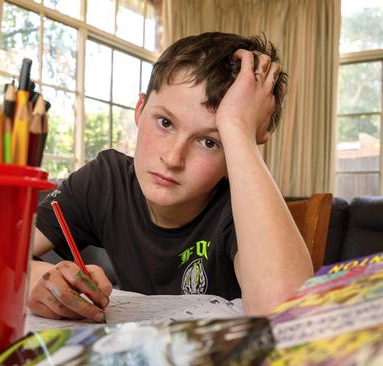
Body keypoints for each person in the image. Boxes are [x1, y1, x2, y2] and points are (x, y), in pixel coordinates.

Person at [26, 32, 313, 323]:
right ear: (140, 110)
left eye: (210, 142)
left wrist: (238, 128)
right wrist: (36, 277)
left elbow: (289, 313)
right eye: (165, 123)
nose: (173, 159)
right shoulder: (105, 181)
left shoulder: (238, 208)